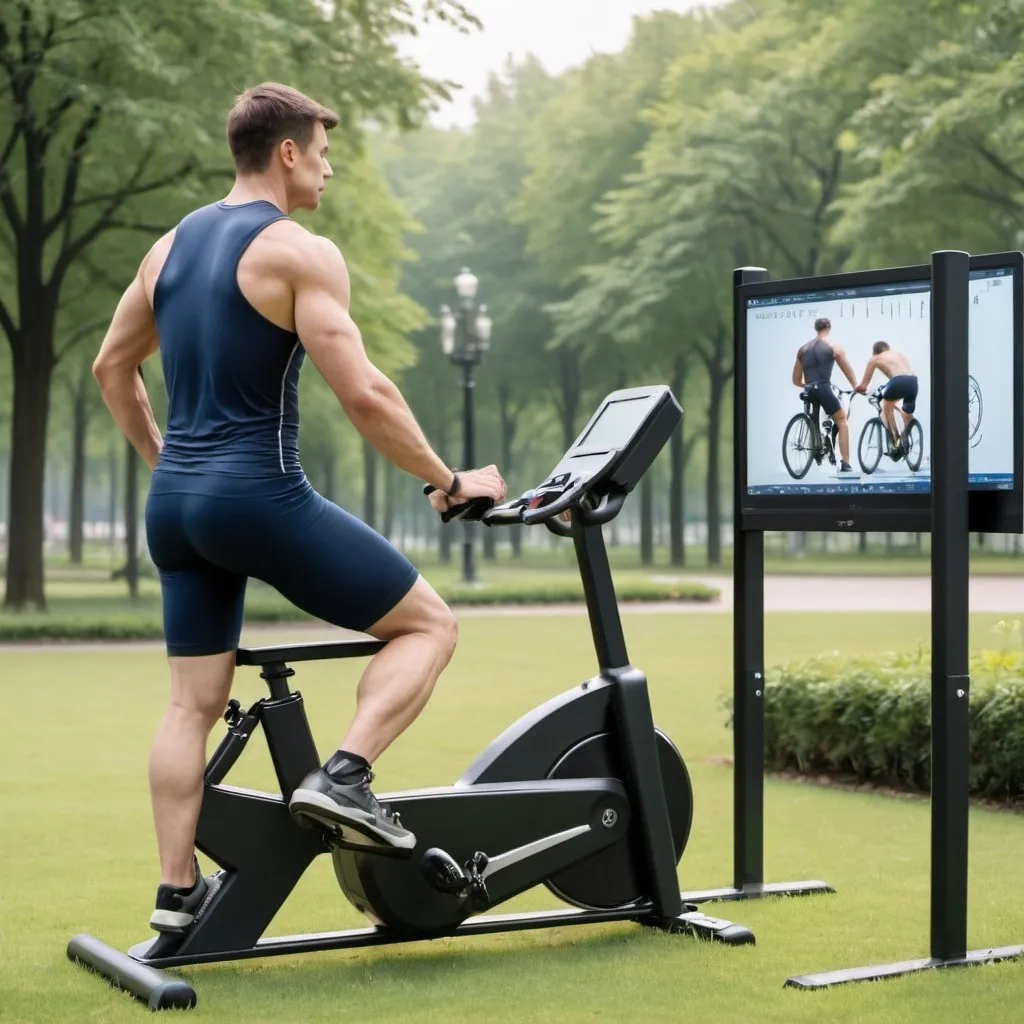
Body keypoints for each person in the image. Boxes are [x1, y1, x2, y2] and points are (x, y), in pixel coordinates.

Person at [91, 83, 507, 937]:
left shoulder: (166, 249)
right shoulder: (299, 252)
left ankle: (177, 895)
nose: (328, 165)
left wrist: (169, 467)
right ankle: (345, 774)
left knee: (188, 706)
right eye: (321, 149)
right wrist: (449, 477)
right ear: (286, 151)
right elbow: (364, 393)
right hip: (258, 494)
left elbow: (111, 367)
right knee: (429, 626)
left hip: (174, 508)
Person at [791, 317, 860, 476]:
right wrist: (856, 385)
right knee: (842, 421)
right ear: (829, 327)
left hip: (808, 389)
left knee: (814, 416)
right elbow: (846, 369)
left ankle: (817, 447)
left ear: (816, 328)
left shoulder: (802, 349)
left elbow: (795, 380)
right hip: (823, 387)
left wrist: (807, 386)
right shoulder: (833, 346)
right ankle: (846, 463)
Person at [855, 341, 918, 457]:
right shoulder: (898, 355)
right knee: (906, 411)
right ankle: (906, 438)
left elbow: (864, 385)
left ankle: (896, 441)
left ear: (874, 352)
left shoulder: (875, 358)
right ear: (888, 349)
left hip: (898, 382)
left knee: (886, 405)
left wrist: (859, 389)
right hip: (913, 382)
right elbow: (909, 372)